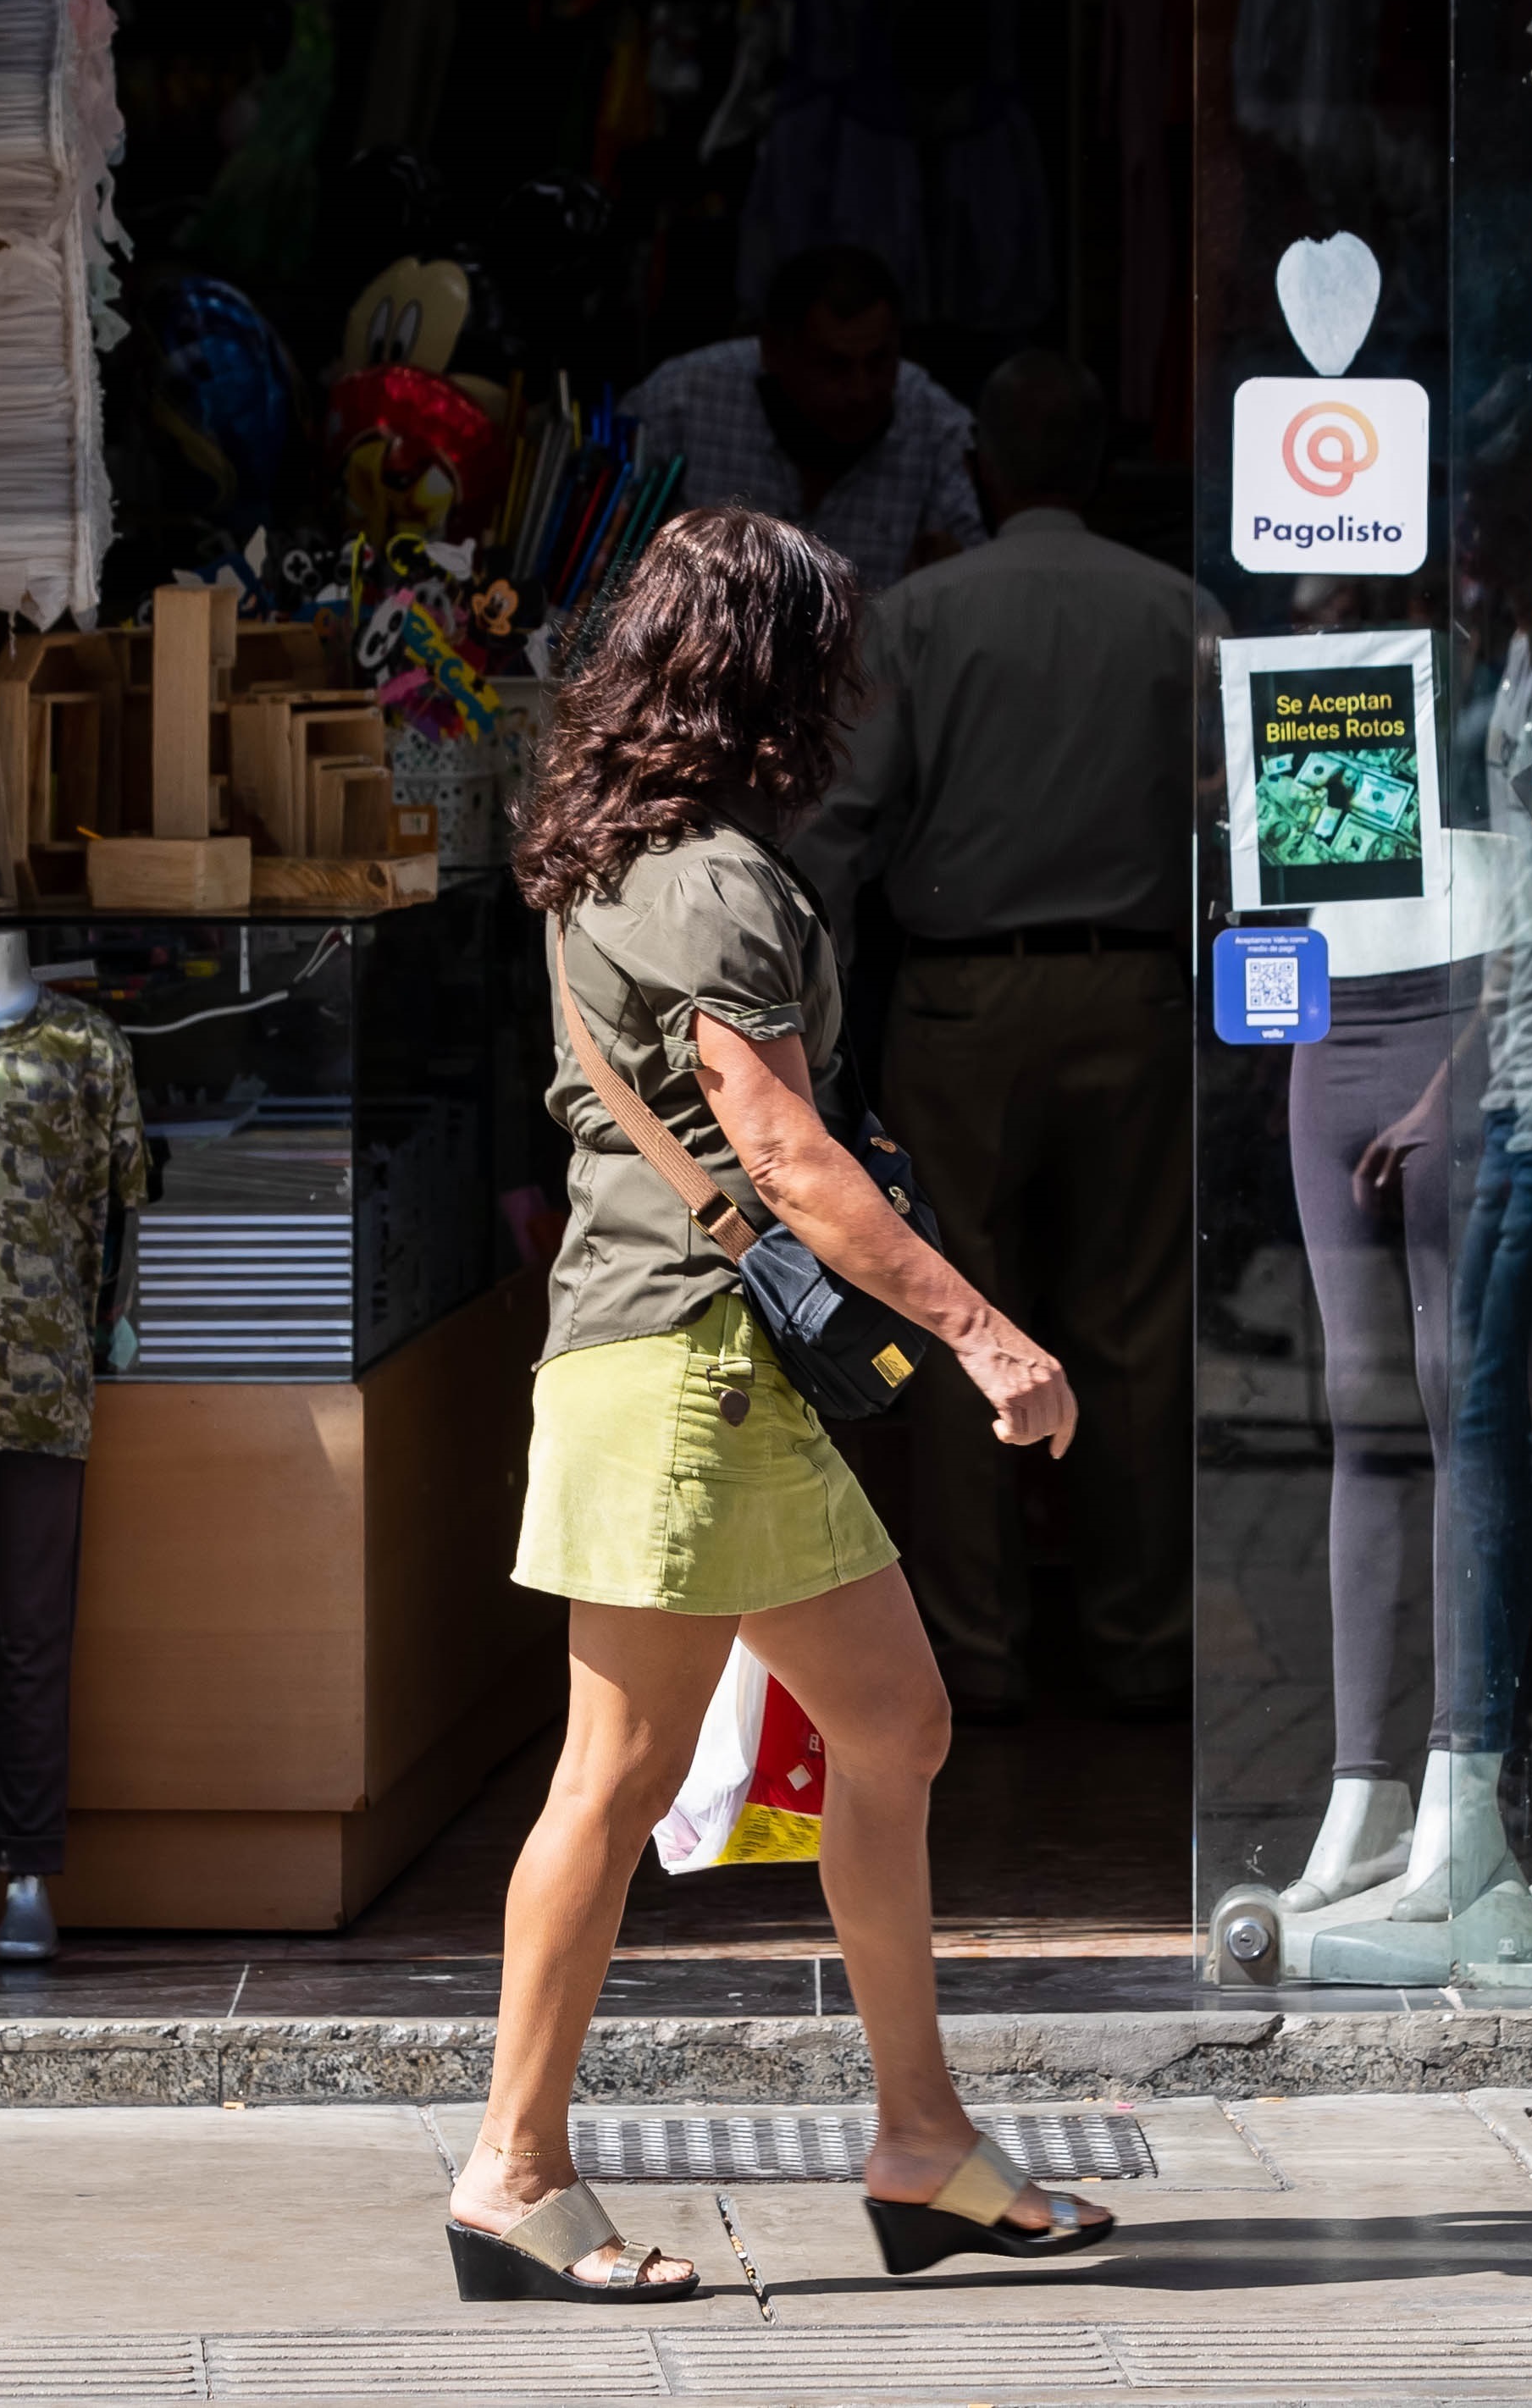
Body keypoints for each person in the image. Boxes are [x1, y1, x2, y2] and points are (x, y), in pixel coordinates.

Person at [445, 505, 1112, 2300]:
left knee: (890, 1724)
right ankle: (511, 2171)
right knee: (617, 1772)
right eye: (831, 655)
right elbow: (785, 1155)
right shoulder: (720, 881)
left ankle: (920, 2141)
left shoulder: (616, 857)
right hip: (687, 1377)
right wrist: (986, 1335)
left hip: (689, 1375)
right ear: (774, 677)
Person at [790, 351, 1205, 1724]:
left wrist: (825, 1016)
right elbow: (1238, 825)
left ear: (981, 468)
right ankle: (1142, 1639)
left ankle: (975, 1646)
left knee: (956, 1310)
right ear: (1105, 462)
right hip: (1141, 995)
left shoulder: (919, 617)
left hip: (963, 1004)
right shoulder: (1181, 612)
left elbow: (838, 835)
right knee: (1136, 1324)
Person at [629, 245, 980, 594]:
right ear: (774, 350)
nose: (861, 390)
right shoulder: (680, 402)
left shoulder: (936, 424)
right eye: (834, 365)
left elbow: (978, 561)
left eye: (879, 362)